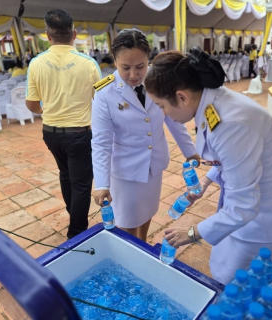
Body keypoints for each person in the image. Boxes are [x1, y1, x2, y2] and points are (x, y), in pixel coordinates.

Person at [144, 48, 272, 284]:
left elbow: (244, 207)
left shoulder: (230, 123)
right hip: (255, 211)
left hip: (266, 222)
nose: (163, 113)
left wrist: (191, 233)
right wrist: (206, 181)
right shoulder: (211, 101)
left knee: (239, 287)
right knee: (228, 273)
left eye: (161, 106)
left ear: (182, 97)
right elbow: (230, 159)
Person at [91, 29, 199, 242]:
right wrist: (101, 184)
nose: (133, 75)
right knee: (128, 221)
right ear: (114, 60)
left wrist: (190, 151)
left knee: (148, 212)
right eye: (125, 67)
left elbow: (173, 119)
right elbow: (101, 142)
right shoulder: (105, 93)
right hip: (126, 170)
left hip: (154, 163)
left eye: (140, 66)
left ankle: (143, 242)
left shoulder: (158, 80)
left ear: (148, 60)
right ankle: (136, 252)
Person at [26, 9, 101, 239]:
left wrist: (47, 110)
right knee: (81, 183)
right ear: (74, 34)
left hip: (51, 132)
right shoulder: (88, 64)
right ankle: (77, 233)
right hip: (79, 133)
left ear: (47, 35)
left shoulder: (36, 64)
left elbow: (31, 105)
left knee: (66, 174)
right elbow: (102, 102)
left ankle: (74, 213)